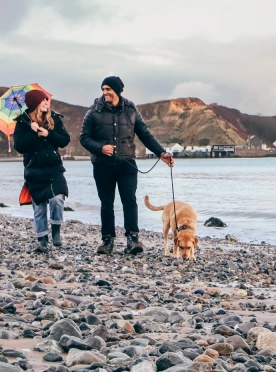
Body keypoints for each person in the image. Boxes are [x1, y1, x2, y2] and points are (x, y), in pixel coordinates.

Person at [80, 76, 174, 255]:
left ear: (118, 90)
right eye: (103, 89)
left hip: (127, 164)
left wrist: (161, 153)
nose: (105, 92)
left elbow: (145, 134)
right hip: (102, 165)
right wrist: (101, 148)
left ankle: (133, 239)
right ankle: (107, 240)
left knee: (129, 200)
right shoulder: (94, 111)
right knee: (106, 203)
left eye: (108, 89)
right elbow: (84, 138)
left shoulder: (131, 110)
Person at [13, 90, 70, 253]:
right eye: (43, 101)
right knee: (39, 208)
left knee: (58, 199)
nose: (47, 103)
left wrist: (48, 134)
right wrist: (32, 131)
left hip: (54, 169)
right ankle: (42, 241)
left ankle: (56, 231)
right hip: (34, 170)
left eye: (47, 100)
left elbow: (64, 140)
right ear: (35, 104)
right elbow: (20, 147)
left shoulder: (55, 119)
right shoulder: (23, 122)